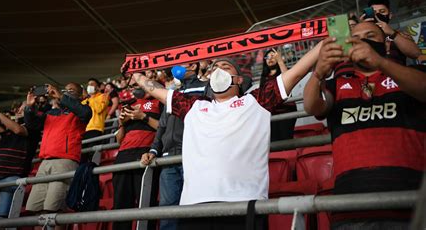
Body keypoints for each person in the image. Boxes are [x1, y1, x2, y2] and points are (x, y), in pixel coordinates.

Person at [123, 42, 321, 230]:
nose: (218, 70)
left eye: (225, 66)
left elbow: (297, 72)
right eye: (214, 68)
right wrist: (135, 74)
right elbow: (155, 89)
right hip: (194, 207)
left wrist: (325, 42)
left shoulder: (256, 101)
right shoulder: (194, 106)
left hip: (244, 205)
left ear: (239, 79)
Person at [303, 22, 426, 229]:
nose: (363, 41)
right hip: (350, 207)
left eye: (371, 36)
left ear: (386, 46)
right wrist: (318, 74)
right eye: (356, 37)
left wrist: (381, 63)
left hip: (410, 204)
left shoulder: (410, 74)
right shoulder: (336, 85)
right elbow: (311, 106)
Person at [140, 62, 207, 230]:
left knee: (194, 208)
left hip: (194, 156)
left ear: (193, 66)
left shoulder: (206, 87)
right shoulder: (171, 94)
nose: (177, 68)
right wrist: (154, 150)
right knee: (168, 211)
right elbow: (162, 126)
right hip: (168, 158)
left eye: (182, 64)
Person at [24, 83, 92, 228]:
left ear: (81, 96)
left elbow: (85, 113)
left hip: (65, 161)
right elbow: (32, 125)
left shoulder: (82, 110)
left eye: (71, 91)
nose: (67, 92)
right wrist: (30, 107)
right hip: (45, 161)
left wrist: (61, 97)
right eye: (65, 90)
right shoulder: (51, 113)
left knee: (55, 210)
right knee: (36, 211)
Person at [112, 81, 163, 230]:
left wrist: (143, 117)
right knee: (120, 204)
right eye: (132, 85)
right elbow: (119, 140)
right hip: (123, 156)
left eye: (137, 84)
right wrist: (121, 123)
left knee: (146, 203)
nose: (134, 87)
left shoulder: (160, 102)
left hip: (146, 154)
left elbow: (163, 127)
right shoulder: (128, 104)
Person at [361, 0, 421, 64]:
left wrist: (393, 34)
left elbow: (416, 54)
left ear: (390, 15)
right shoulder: (363, 36)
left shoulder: (401, 35)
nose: (377, 15)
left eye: (382, 11)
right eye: (374, 13)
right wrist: (362, 28)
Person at [259, 48, 298, 141]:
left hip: (286, 110)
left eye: (273, 56)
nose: (270, 58)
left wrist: (280, 60)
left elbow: (288, 78)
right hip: (271, 112)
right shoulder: (264, 76)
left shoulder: (282, 70)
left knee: (286, 139)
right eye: (267, 57)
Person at [81, 78, 109, 163]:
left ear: (98, 87)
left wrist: (90, 98)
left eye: (92, 84)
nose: (90, 86)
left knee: (92, 156)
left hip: (96, 129)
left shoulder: (103, 96)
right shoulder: (85, 101)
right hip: (84, 130)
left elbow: (99, 109)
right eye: (89, 84)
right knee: (82, 157)